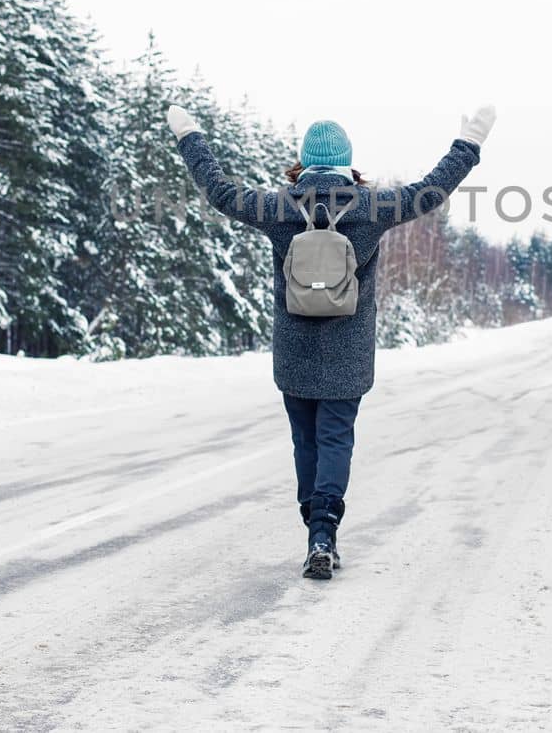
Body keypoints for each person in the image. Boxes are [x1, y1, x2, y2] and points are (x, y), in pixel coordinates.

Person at [164, 103, 497, 579]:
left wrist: (190, 136)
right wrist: (469, 143)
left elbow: (219, 191)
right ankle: (325, 532)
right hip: (349, 354)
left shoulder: (278, 208)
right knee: (336, 440)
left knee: (306, 443)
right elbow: (431, 190)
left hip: (294, 352)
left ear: (304, 161)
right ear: (347, 163)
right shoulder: (372, 208)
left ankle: (314, 530)